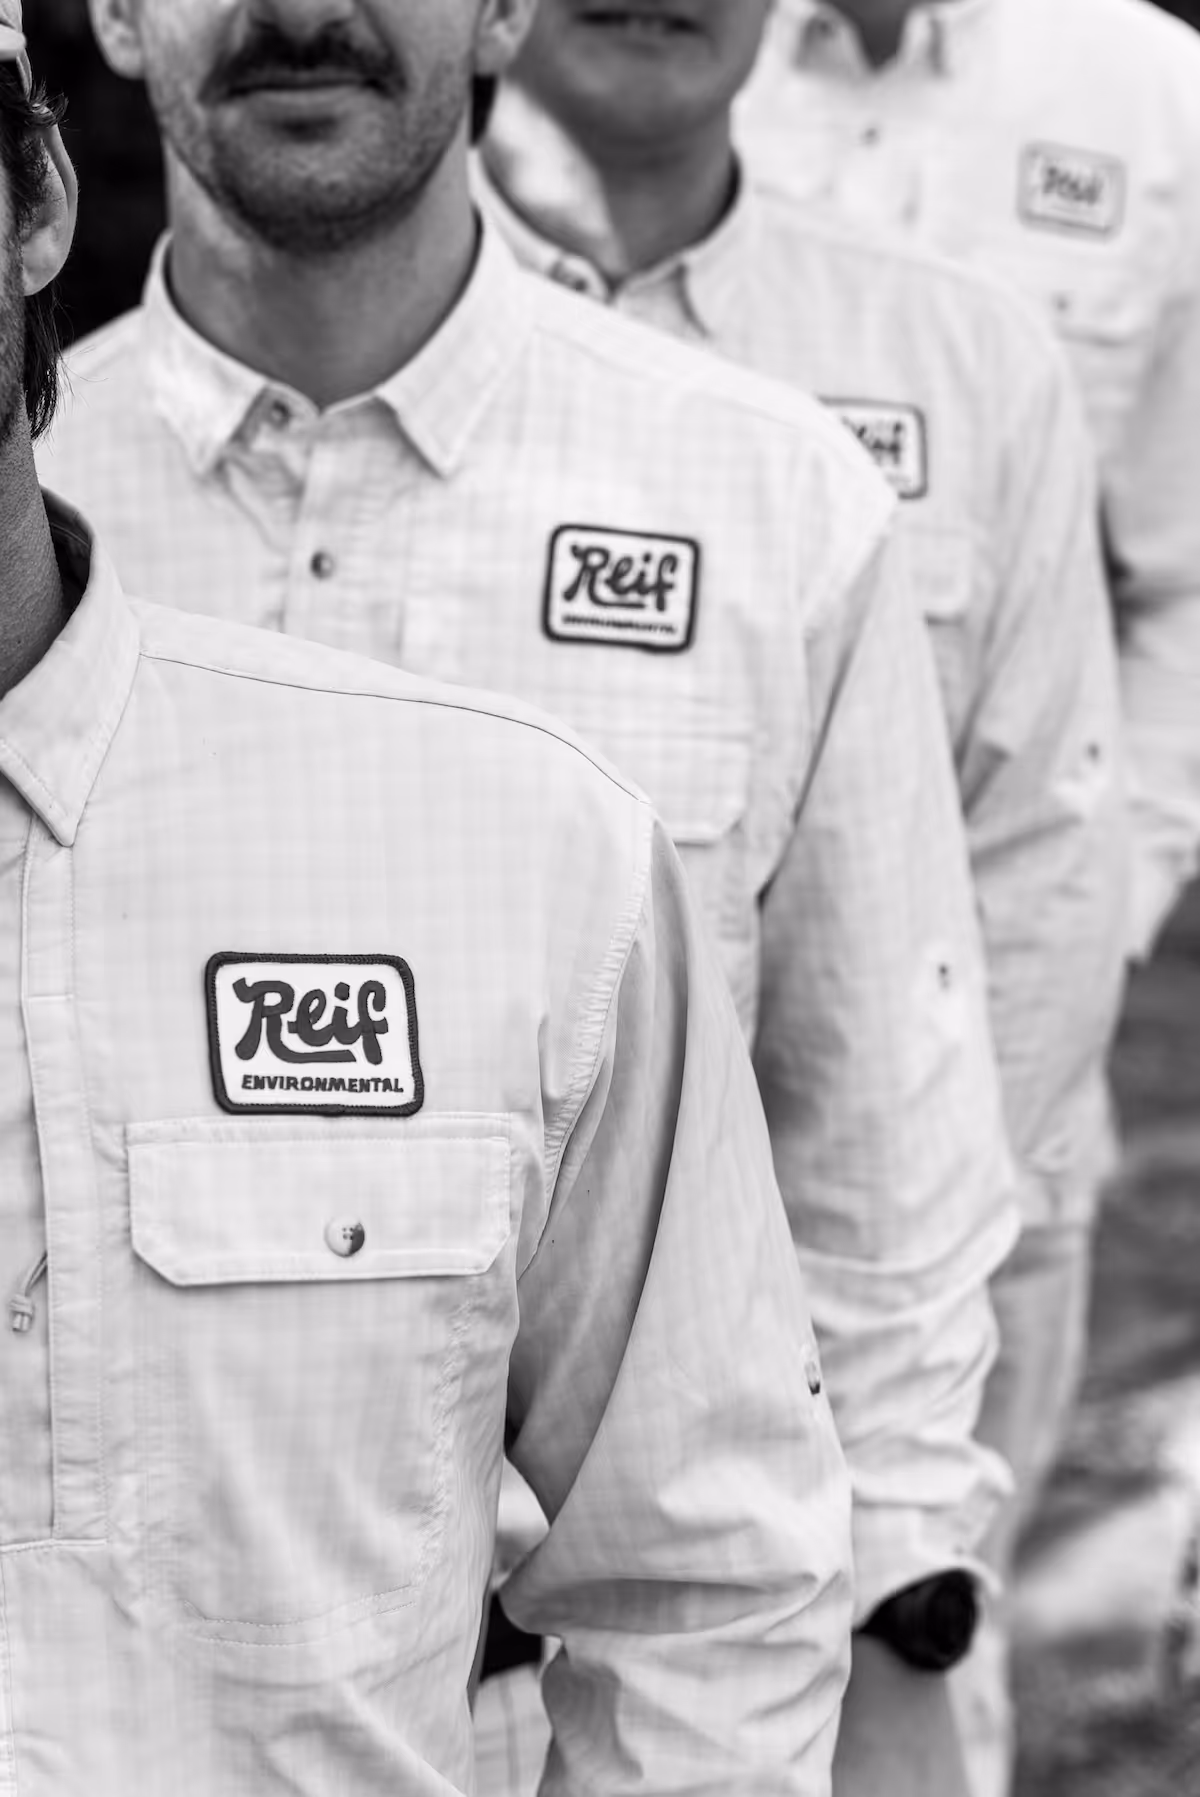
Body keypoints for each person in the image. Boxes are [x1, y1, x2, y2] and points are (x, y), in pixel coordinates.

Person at [40, 0, 1018, 1780]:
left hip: (684, 1689)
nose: (302, 6)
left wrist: (896, 1632)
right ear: (107, 15)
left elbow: (883, 1150)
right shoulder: (37, 524)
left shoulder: (767, 502)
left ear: (502, 3)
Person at [479, 5, 1130, 1794]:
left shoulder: (957, 360)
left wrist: (882, 1496)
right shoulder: (192, 425)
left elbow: (1027, 887)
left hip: (848, 1375)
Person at [738, 0, 1200, 972]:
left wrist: (1111, 903)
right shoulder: (634, 51)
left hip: (1003, 954)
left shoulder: (1160, 97)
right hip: (667, 921)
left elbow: (1186, 573)